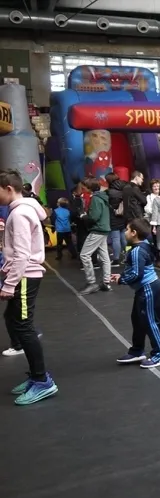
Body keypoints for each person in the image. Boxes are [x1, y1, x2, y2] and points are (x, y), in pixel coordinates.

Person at [0, 170, 57, 405]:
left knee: (23, 326)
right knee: (14, 319)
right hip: (21, 275)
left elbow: (23, 253)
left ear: (8, 189)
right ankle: (36, 376)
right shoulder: (22, 210)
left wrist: (9, 283)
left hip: (24, 277)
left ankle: (42, 380)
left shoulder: (20, 214)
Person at [110, 218, 160, 368]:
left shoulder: (137, 251)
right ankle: (137, 351)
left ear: (134, 233)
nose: (125, 233)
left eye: (127, 230)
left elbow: (136, 273)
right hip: (146, 288)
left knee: (150, 321)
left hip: (148, 288)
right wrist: (122, 275)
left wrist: (121, 279)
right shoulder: (143, 245)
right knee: (137, 319)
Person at [78, 177, 112, 296]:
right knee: (104, 255)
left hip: (97, 229)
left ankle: (91, 282)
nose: (83, 188)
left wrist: (83, 216)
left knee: (84, 255)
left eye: (84, 186)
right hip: (104, 228)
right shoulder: (102, 197)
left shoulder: (96, 199)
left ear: (89, 187)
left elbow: (94, 217)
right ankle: (106, 282)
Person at [106, 173, 128, 266]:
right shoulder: (124, 189)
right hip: (123, 216)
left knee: (115, 238)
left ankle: (116, 259)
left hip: (113, 217)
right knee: (124, 237)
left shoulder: (108, 192)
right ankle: (128, 256)